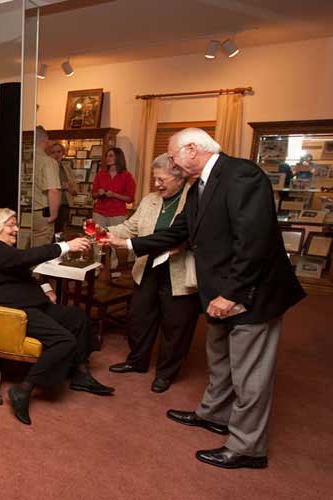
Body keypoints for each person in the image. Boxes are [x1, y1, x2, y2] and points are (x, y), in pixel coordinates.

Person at [103, 128, 305, 469]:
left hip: (248, 294)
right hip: (218, 293)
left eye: (171, 155)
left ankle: (248, 447)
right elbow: (179, 232)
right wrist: (130, 244)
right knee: (221, 359)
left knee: (250, 373)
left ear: (192, 150)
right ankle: (213, 414)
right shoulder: (199, 187)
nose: (169, 161)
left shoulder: (242, 174)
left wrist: (231, 294)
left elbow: (253, 242)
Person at [0, 208, 115, 425]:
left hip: (30, 301)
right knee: (63, 341)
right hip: (14, 311)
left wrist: (46, 287)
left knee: (78, 318)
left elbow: (23, 270)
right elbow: (26, 257)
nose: (16, 229)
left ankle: (80, 374)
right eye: (11, 225)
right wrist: (66, 246)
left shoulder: (3, 252)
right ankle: (24, 389)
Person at [105, 154, 200, 393]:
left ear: (180, 178)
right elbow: (130, 227)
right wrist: (105, 231)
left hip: (178, 270)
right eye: (155, 179)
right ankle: (137, 361)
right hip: (148, 266)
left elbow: (199, 235)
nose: (156, 184)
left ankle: (166, 373)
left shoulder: (195, 199)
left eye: (161, 179)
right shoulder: (150, 200)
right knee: (139, 316)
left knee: (175, 326)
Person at [92, 147, 135, 267]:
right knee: (97, 241)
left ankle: (112, 267)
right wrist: (98, 192)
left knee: (114, 241)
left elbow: (130, 198)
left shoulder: (127, 176)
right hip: (99, 212)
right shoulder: (101, 174)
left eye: (111, 156)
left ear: (118, 157)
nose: (108, 158)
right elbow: (93, 194)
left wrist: (114, 195)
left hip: (117, 213)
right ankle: (96, 265)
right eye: (107, 156)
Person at [31, 126, 61, 247]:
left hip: (23, 213)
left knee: (22, 252)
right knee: (39, 255)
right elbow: (53, 190)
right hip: (41, 214)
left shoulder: (24, 159)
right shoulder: (48, 161)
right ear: (46, 140)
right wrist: (53, 215)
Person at [46, 142, 78, 235]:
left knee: (60, 232)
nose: (56, 154)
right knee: (49, 232)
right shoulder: (47, 167)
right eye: (53, 152)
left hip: (64, 204)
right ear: (49, 154)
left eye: (59, 151)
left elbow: (75, 191)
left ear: (63, 153)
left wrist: (68, 188)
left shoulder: (66, 168)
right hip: (49, 204)